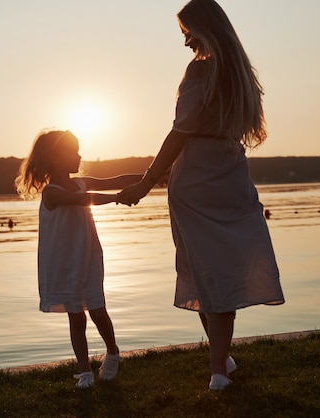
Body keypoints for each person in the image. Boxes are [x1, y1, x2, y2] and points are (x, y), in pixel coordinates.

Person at [119, 0, 285, 391]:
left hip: (197, 177)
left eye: (187, 33)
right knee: (220, 270)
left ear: (205, 29)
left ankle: (218, 373)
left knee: (205, 272)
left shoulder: (200, 71)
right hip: (230, 171)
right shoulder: (241, 74)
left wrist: (147, 181)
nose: (185, 42)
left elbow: (181, 131)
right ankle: (220, 358)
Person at [15, 129, 142, 388]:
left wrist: (151, 177)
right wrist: (118, 198)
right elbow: (81, 200)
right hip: (64, 261)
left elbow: (115, 178)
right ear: (55, 158)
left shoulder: (82, 181)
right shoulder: (51, 192)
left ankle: (113, 351)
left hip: (87, 256)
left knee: (97, 309)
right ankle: (85, 371)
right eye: (72, 151)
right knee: (76, 316)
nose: (79, 155)